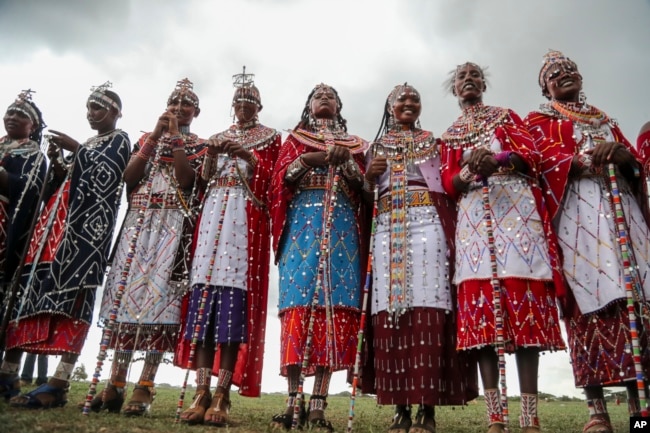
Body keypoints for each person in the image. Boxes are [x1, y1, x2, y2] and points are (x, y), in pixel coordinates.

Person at [524, 50, 650, 433]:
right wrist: (576, 162)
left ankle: (639, 414)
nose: (563, 75)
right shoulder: (539, 120)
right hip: (576, 217)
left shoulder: (605, 119)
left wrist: (623, 155)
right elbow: (538, 163)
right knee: (587, 303)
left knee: (636, 302)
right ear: (544, 87)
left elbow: (635, 166)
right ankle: (597, 412)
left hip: (622, 214)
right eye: (553, 73)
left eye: (569, 70)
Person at [440, 62, 566, 433]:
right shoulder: (450, 135)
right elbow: (449, 183)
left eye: (474, 76)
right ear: (454, 90)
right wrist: (467, 170)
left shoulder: (506, 116)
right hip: (475, 222)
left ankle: (530, 417)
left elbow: (529, 156)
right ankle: (496, 417)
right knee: (482, 320)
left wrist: (494, 159)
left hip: (515, 213)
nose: (468, 81)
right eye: (461, 77)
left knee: (523, 307)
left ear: (483, 84)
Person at [1, 82, 130, 409]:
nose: (91, 113)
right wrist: (59, 162)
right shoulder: (87, 144)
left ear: (115, 112)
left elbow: (110, 177)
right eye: (88, 108)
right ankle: (8, 372)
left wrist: (78, 150)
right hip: (52, 230)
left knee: (75, 300)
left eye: (98, 108)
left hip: (84, 237)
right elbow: (62, 182)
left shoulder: (119, 139)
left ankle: (59, 381)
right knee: (29, 293)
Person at [361, 83, 478, 433]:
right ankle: (400, 409)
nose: (409, 103)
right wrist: (369, 177)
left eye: (415, 99)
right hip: (385, 228)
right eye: (402, 99)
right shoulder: (375, 146)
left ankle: (427, 409)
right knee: (391, 309)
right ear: (389, 107)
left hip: (428, 223)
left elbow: (448, 182)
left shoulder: (434, 142)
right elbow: (368, 198)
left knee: (429, 306)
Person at [175, 71, 281, 426]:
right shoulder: (217, 136)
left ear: (259, 106)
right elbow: (203, 180)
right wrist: (213, 153)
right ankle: (201, 390)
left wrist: (247, 158)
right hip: (212, 217)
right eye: (238, 100)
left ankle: (222, 393)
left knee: (232, 308)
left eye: (250, 100)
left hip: (243, 221)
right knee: (204, 305)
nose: (243, 105)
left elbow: (272, 183)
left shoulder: (270, 138)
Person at [96, 79, 206, 416]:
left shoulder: (199, 145)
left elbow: (187, 181)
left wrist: (174, 138)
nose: (178, 106)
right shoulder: (146, 139)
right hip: (139, 222)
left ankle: (145, 384)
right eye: (174, 101)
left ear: (196, 112)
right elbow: (129, 178)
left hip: (173, 225)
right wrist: (156, 138)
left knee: (161, 303)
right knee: (127, 297)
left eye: (186, 103)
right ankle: (115, 380)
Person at [269, 83, 368, 431]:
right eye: (317, 95)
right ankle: (292, 398)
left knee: (333, 310)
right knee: (297, 308)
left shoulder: (357, 144)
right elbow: (279, 181)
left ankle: (318, 404)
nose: (324, 98)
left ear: (340, 106)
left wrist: (349, 168)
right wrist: (307, 159)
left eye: (331, 96)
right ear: (309, 106)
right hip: (301, 228)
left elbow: (367, 190)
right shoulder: (294, 140)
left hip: (343, 229)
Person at [0, 90, 47, 398]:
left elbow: (28, 194)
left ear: (33, 126)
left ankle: (7, 375)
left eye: (21, 115)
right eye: (9, 112)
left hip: (7, 230)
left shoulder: (34, 155)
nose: (12, 117)